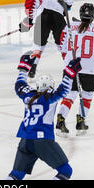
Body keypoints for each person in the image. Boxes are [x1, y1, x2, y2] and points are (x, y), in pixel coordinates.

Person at [6, 51, 82, 180]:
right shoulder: (49, 98)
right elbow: (64, 90)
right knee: (65, 171)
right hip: (43, 141)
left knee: (16, 175)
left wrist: (24, 68)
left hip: (25, 140)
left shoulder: (28, 95)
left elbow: (19, 85)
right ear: (51, 86)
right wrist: (70, 72)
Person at [56, 3, 94, 135]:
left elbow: (62, 48)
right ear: (93, 16)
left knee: (70, 94)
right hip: (90, 69)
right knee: (87, 95)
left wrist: (68, 62)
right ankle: (81, 122)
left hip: (71, 67)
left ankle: (60, 121)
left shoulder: (68, 27)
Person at [18, 0, 75, 78]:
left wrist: (29, 21)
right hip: (58, 17)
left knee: (38, 45)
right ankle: (69, 68)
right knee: (63, 44)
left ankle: (32, 67)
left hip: (42, 18)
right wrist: (65, 8)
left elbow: (30, 7)